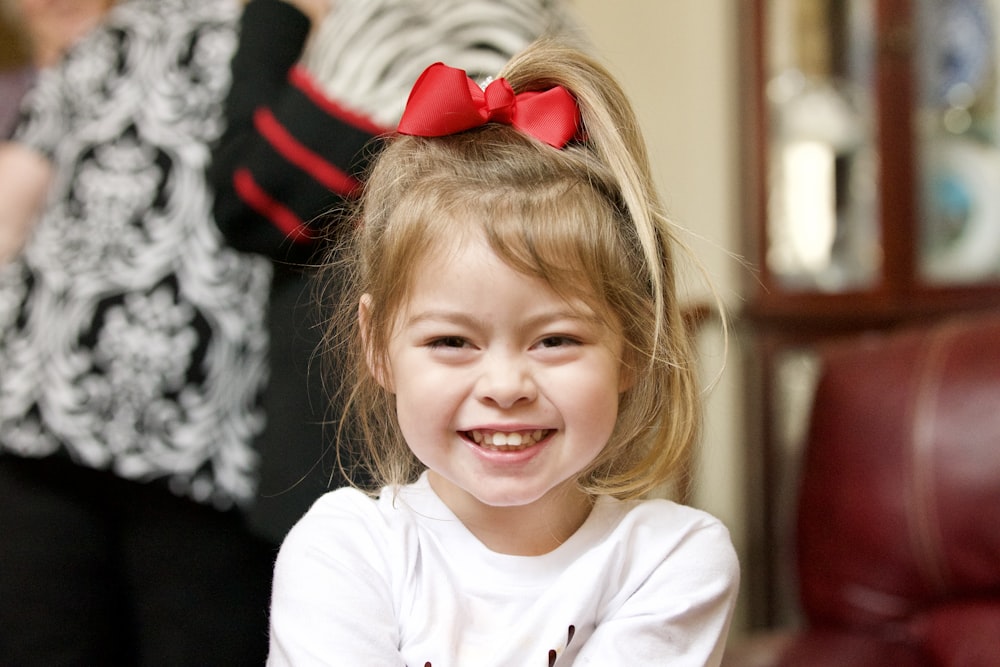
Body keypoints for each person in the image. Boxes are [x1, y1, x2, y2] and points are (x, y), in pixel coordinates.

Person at [267, 38, 740, 665]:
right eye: (451, 341)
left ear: (631, 346)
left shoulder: (672, 560)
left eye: (556, 340)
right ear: (378, 345)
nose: (506, 384)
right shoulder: (344, 551)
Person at [210, 0, 584, 544]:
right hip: (405, 417)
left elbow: (249, 203)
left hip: (357, 419)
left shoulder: (392, 26)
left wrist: (280, 14)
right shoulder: (542, 37)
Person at [0, 0, 275, 663]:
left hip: (206, 443)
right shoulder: (111, 32)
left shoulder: (299, 31)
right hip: (46, 411)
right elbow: (17, 194)